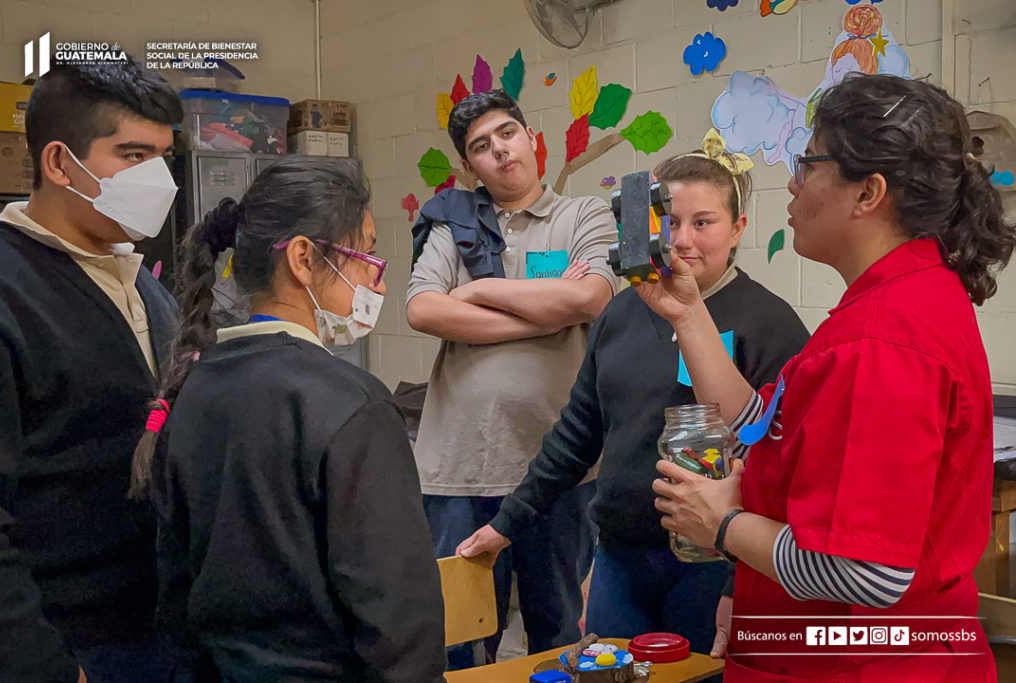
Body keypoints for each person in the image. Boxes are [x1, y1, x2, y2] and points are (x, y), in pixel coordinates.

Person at [639, 74, 1015, 681]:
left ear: (867, 192)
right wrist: (687, 311)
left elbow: (865, 572)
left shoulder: (883, 342)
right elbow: (764, 425)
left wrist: (725, 524)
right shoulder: (898, 301)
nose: (791, 183)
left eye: (807, 163)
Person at [457, 131, 810, 658]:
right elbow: (577, 433)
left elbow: (782, 465)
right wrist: (507, 523)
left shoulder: (771, 324)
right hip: (621, 559)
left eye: (703, 222)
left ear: (737, 230)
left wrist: (740, 586)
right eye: (669, 221)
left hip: (715, 563)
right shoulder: (621, 314)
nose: (683, 240)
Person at [131, 157, 446, 682]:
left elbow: (173, 586)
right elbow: (397, 616)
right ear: (303, 257)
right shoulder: (353, 406)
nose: (379, 281)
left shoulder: (187, 391)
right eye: (365, 252)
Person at [407, 89, 618, 663]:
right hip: (459, 470)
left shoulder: (584, 215)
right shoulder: (452, 223)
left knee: (558, 633)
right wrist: (546, 314)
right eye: (480, 146)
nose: (498, 151)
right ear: (470, 165)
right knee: (462, 637)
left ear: (532, 139)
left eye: (506, 133)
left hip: (559, 468)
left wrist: (475, 291)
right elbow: (424, 309)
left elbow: (592, 297)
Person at [0, 59, 183, 682]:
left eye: (163, 157)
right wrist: (39, 664)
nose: (157, 178)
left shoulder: (140, 283)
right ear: (58, 163)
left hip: (157, 626)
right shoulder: (4, 292)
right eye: (132, 155)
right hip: (66, 643)